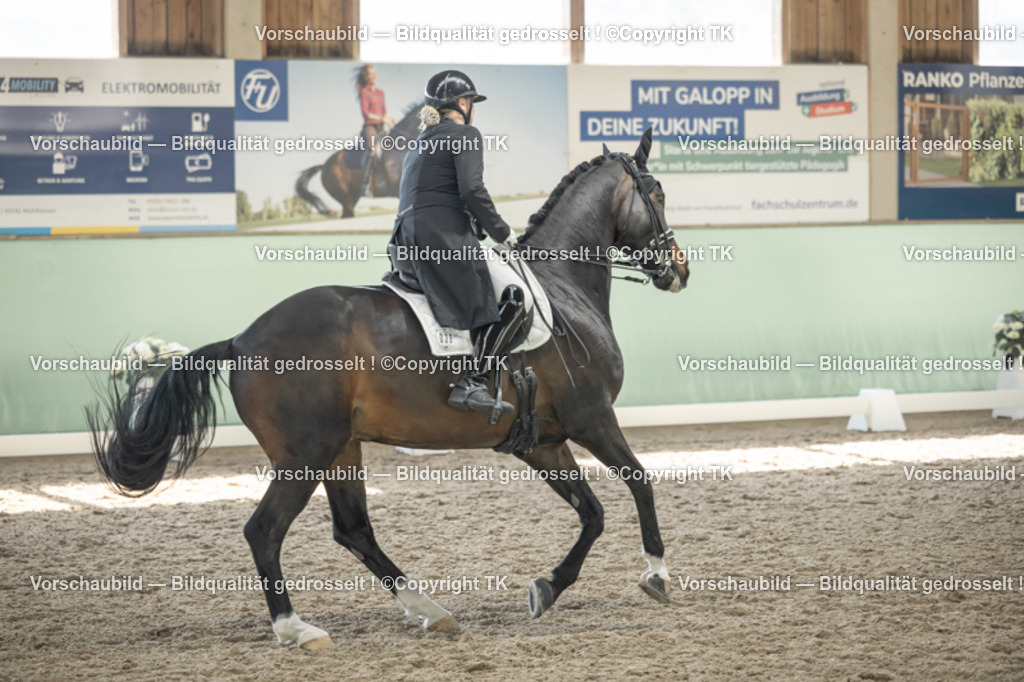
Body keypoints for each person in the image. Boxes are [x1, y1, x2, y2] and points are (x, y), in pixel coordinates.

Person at [388, 70, 517, 419]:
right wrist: (503, 233)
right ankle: (472, 381)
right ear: (463, 103)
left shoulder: (418, 143)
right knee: (514, 298)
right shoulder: (465, 134)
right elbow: (471, 190)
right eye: (471, 102)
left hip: (405, 244)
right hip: (442, 239)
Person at [356, 64, 394, 198]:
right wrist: (382, 118)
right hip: (370, 126)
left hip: (382, 126)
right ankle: (365, 184)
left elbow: (384, 112)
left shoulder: (380, 93)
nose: (373, 76)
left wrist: (392, 120)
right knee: (372, 149)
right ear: (365, 77)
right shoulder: (364, 92)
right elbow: (366, 113)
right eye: (370, 74)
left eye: (374, 73)